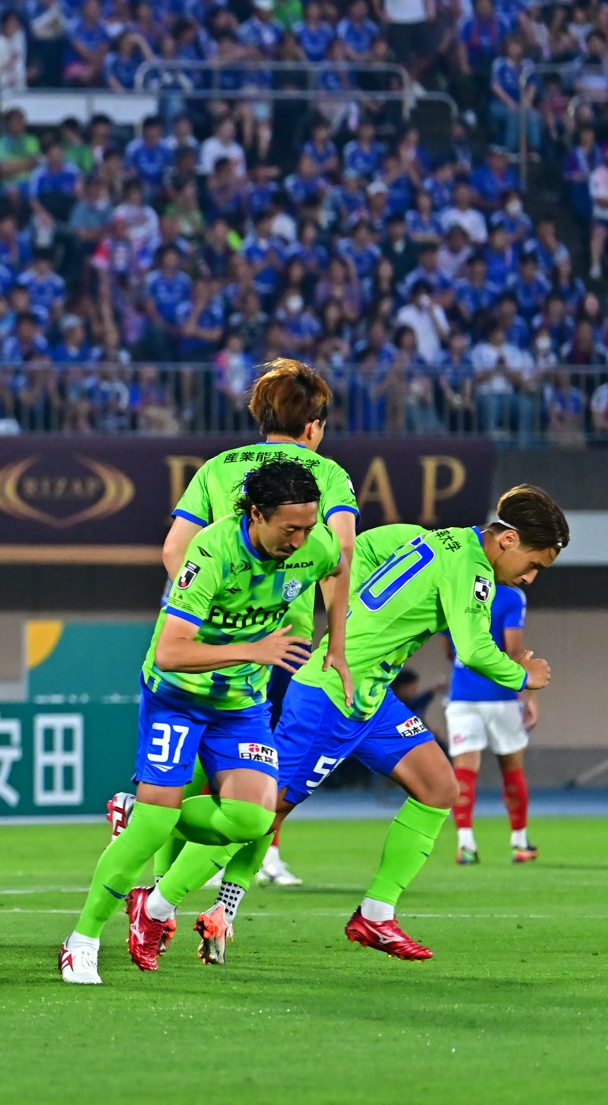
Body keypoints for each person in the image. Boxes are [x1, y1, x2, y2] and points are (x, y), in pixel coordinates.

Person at [222, 485, 562, 962]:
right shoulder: (474, 570)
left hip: (371, 697)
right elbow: (475, 650)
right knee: (262, 810)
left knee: (439, 787)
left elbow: (353, 554)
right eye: (533, 564)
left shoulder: (430, 538)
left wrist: (352, 621)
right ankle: (163, 870)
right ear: (507, 540)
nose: (528, 578)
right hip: (333, 695)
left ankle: (375, 915)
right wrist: (525, 674)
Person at [60, 459, 341, 984]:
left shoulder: (314, 545)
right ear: (256, 514)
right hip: (178, 698)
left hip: (241, 706)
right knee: (154, 827)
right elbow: (169, 652)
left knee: (253, 820)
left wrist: (336, 645)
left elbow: (336, 567)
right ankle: (82, 940)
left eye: (308, 526)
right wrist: (255, 648)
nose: (302, 540)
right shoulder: (211, 552)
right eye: (290, 529)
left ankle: (137, 815)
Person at [160, 357, 358, 889]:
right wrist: (336, 646)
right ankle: (238, 857)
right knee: (255, 772)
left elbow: (175, 549)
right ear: (313, 426)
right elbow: (340, 559)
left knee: (192, 769)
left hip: (202, 639)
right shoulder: (327, 476)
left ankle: (151, 890)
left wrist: (206, 609)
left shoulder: (218, 466)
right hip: (277, 645)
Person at [446, 581, 536, 865]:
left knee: (463, 772)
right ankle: (519, 842)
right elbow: (513, 650)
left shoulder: (454, 589)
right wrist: (530, 694)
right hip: (500, 695)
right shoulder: (510, 596)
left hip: (461, 696)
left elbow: (450, 649)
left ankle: (466, 844)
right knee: (512, 768)